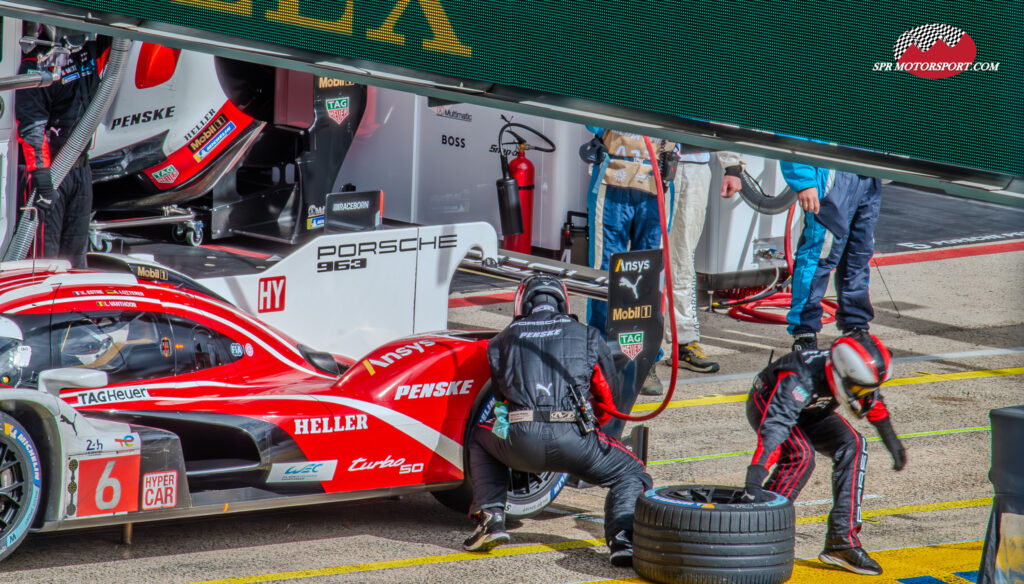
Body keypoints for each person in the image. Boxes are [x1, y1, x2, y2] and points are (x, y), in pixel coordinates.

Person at [464, 274, 652, 567]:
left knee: (479, 437)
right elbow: (609, 399)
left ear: (523, 303)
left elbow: (501, 402)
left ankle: (491, 518)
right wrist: (593, 429)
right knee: (632, 470)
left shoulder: (501, 341)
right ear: (563, 302)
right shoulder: (587, 335)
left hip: (519, 440)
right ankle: (621, 539)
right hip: (574, 440)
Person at [742, 330, 907, 576]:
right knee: (801, 456)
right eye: (858, 389)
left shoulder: (850, 373)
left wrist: (890, 438)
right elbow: (775, 430)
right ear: (841, 375)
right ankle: (756, 533)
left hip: (813, 411)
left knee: (854, 444)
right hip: (769, 407)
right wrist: (754, 479)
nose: (862, 395)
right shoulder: (798, 378)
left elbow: (871, 398)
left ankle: (841, 542)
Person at [15, 24, 107, 268]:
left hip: (80, 170)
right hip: (49, 173)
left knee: (76, 259)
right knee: (44, 261)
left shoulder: (90, 45)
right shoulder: (36, 61)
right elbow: (31, 124)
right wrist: (42, 177)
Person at [780, 162, 882, 352]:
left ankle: (856, 327)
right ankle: (805, 332)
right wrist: (804, 181)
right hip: (833, 172)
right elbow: (794, 135)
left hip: (868, 171)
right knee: (819, 256)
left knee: (858, 256)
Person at [663, 148, 744, 377]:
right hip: (650, 163)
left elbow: (720, 112)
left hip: (695, 167)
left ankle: (684, 343)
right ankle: (643, 348)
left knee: (683, 259)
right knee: (646, 257)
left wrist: (733, 166)